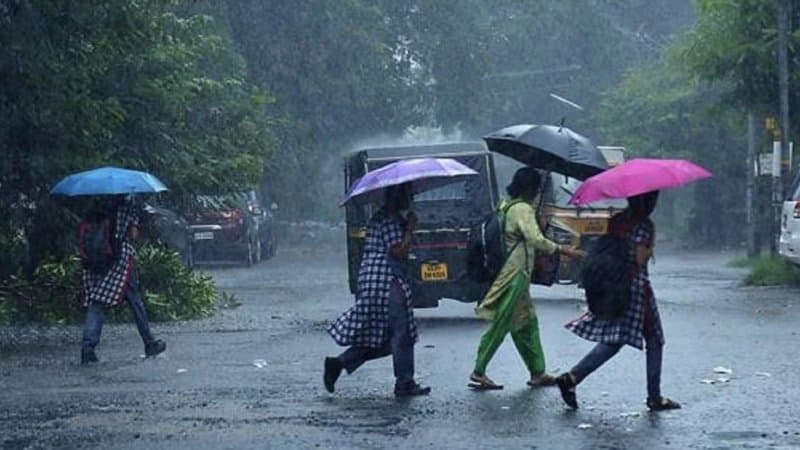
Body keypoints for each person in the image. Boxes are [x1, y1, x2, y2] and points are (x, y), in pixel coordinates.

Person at [555, 191, 681, 411]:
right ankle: (654, 397)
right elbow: (640, 259)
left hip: (616, 285)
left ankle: (573, 377)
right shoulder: (644, 225)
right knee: (654, 339)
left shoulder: (617, 220)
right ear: (648, 201)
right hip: (637, 288)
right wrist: (651, 245)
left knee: (615, 341)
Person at [468, 167, 584, 390]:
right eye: (536, 188)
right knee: (502, 322)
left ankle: (537, 371)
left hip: (516, 273)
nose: (537, 192)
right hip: (514, 275)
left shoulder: (506, 205)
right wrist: (564, 250)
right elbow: (536, 240)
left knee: (526, 323)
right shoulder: (522, 209)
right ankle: (479, 370)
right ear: (530, 188)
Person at [324, 183, 430, 397]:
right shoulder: (389, 220)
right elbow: (398, 251)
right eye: (407, 193)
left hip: (374, 280)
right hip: (386, 280)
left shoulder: (385, 218)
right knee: (402, 333)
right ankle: (405, 383)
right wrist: (409, 230)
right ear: (396, 196)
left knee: (383, 338)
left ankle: (340, 363)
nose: (410, 198)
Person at [81, 195, 166, 364]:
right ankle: (149, 343)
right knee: (135, 302)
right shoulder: (127, 208)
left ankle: (88, 348)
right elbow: (133, 235)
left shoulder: (93, 207)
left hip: (94, 263)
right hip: (120, 262)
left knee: (96, 302)